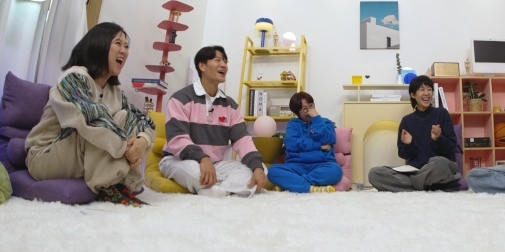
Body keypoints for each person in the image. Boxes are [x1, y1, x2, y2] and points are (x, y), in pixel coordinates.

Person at [25, 21, 155, 206]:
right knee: (101, 123)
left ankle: (120, 184)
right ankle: (108, 185)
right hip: (45, 156)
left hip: (78, 158)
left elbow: (144, 121)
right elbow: (90, 118)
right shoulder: (74, 78)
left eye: (126, 46)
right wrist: (127, 148)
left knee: (127, 118)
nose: (124, 51)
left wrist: (142, 142)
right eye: (118, 43)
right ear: (99, 44)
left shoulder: (116, 92)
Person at [160, 45, 268, 197]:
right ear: (202, 66)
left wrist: (257, 167)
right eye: (217, 60)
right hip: (179, 160)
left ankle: (218, 190)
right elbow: (177, 139)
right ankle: (227, 188)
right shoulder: (180, 99)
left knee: (260, 168)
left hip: (216, 165)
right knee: (195, 171)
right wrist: (202, 158)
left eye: (225, 61)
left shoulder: (230, 105)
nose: (224, 65)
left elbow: (242, 140)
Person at [368, 75, 461, 191]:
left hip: (439, 168)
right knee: (375, 173)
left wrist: (438, 138)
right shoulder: (407, 121)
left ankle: (413, 185)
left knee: (440, 163)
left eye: (429, 89)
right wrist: (409, 144)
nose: (427, 93)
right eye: (422, 90)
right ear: (413, 95)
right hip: (417, 170)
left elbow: (452, 145)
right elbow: (403, 154)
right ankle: (424, 184)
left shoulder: (442, 113)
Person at [266, 91, 343, 193]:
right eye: (304, 109)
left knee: (336, 171)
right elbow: (292, 144)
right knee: (272, 171)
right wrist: (318, 146)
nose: (309, 111)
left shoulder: (325, 122)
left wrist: (316, 119)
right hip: (296, 166)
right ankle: (310, 187)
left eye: (311, 106)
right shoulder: (293, 124)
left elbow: (327, 139)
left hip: (321, 164)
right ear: (298, 112)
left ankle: (295, 184)